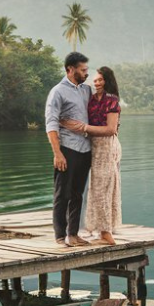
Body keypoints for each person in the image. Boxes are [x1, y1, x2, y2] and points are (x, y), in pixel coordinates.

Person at [63, 66, 121, 245]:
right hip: (91, 145)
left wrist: (83, 128)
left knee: (104, 188)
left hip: (106, 146)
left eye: (100, 80)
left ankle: (106, 230)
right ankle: (98, 228)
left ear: (107, 81)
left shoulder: (112, 101)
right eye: (95, 80)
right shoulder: (91, 98)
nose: (96, 83)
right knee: (94, 189)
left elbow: (111, 129)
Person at [45, 52, 93, 247]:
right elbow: (51, 123)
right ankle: (59, 236)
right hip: (66, 149)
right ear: (70, 70)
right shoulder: (57, 91)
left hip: (85, 149)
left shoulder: (86, 90)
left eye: (87, 70)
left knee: (77, 194)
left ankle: (73, 234)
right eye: (83, 70)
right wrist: (57, 153)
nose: (86, 74)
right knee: (62, 193)